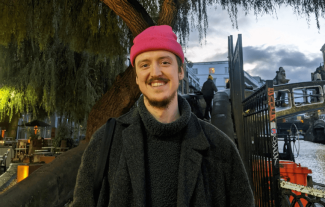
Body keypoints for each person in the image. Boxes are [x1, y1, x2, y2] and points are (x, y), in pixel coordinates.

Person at [71, 25, 254, 207]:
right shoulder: (105, 142)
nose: (155, 72)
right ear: (136, 77)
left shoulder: (220, 147)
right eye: (144, 65)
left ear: (180, 71)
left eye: (165, 62)